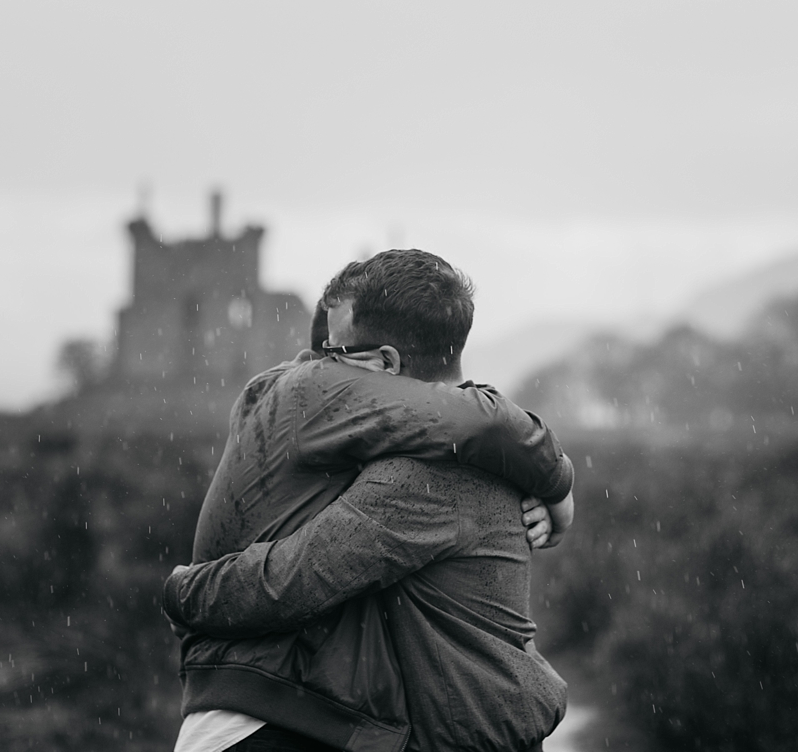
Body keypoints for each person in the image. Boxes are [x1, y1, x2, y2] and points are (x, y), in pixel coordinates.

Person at [165, 250, 573, 752]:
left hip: (452, 733)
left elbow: (297, 578)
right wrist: (558, 485)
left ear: (384, 363)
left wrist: (186, 590)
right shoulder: (452, 450)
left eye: (333, 351)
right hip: (474, 727)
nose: (315, 360)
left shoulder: (426, 472)